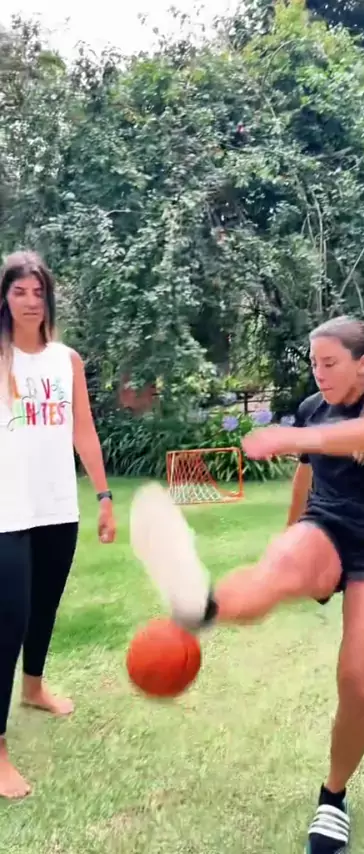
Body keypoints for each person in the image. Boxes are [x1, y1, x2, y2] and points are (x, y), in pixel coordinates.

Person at [135, 314, 364, 854]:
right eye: (314, 364)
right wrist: (293, 533)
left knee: (360, 684)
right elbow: (307, 473)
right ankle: (202, 607)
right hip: (328, 527)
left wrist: (294, 436)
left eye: (330, 363)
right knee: (279, 566)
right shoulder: (315, 409)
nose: (319, 373)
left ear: (362, 363)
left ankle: (333, 797)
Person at [0, 250, 116, 800]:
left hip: (57, 505)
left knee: (44, 604)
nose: (29, 301)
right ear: (4, 298)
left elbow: (83, 430)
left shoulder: (66, 360)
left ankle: (34, 688)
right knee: (10, 619)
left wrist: (104, 496)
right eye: (18, 291)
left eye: (37, 292)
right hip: (7, 509)